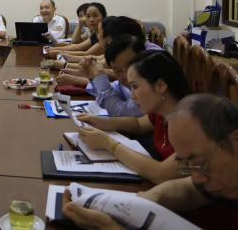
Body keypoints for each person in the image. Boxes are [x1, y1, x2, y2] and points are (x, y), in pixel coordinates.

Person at [63, 94, 238, 230]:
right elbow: (187, 190)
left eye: (199, 164)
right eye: (187, 166)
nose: (197, 178)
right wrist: (140, 205)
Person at [76, 50, 191, 184]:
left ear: (160, 86)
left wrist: (108, 143)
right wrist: (102, 122)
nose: (132, 96)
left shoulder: (192, 126)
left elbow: (160, 173)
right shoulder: (162, 111)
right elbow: (139, 123)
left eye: (135, 87)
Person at [82, 34, 146, 117]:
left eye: (130, 66)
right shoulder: (123, 84)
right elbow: (104, 98)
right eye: (118, 71)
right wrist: (92, 75)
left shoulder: (150, 84)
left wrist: (99, 76)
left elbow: (118, 112)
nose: (126, 75)